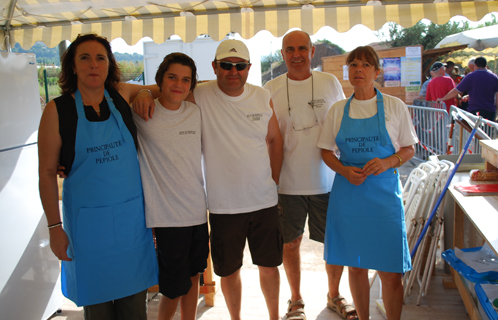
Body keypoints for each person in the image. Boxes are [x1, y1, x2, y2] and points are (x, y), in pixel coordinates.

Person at [133, 39, 284, 320]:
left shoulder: (262, 97)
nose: (233, 71)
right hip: (222, 206)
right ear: (214, 67)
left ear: (249, 68)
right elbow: (168, 90)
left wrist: (273, 183)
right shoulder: (200, 94)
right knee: (227, 271)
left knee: (269, 266)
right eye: (226, 65)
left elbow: (275, 141)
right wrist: (142, 90)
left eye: (240, 66)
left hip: (263, 202)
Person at [38, 34, 158, 319]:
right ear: (73, 67)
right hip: (88, 231)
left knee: (133, 309)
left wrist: (142, 93)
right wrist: (54, 227)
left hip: (131, 224)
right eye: (85, 58)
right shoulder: (57, 110)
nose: (93, 64)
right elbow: (45, 173)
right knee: (99, 310)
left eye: (100, 58)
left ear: (109, 65)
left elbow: (163, 89)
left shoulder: (121, 93)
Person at [317, 46, 418, 320]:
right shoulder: (338, 110)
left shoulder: (395, 106)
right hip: (349, 196)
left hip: (384, 197)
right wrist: (344, 170)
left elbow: (409, 148)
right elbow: (326, 151)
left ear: (377, 72)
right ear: (347, 71)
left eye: (364, 65)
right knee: (356, 265)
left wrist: (388, 162)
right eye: (353, 65)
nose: (358, 70)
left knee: (390, 270)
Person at [263, 30, 357, 320]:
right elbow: (266, 137)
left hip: (328, 181)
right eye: (289, 49)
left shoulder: (329, 82)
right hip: (287, 183)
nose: (296, 55)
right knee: (290, 243)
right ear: (282, 54)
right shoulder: (271, 88)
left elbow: (345, 123)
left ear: (312, 51)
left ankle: (334, 295)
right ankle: (295, 300)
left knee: (334, 242)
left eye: (302, 48)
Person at [132, 53, 208, 320]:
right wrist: (142, 91)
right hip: (166, 217)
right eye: (172, 77)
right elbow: (118, 88)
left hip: (197, 213)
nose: (179, 84)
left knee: (193, 276)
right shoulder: (141, 112)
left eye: (186, 79)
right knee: (173, 289)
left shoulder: (196, 112)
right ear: (160, 80)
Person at [437, 56, 498, 121]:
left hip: (475, 111)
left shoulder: (470, 76)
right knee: (487, 131)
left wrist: (442, 98)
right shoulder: (494, 77)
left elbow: (456, 91)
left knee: (474, 130)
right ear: (486, 65)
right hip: (490, 111)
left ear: (475, 65)